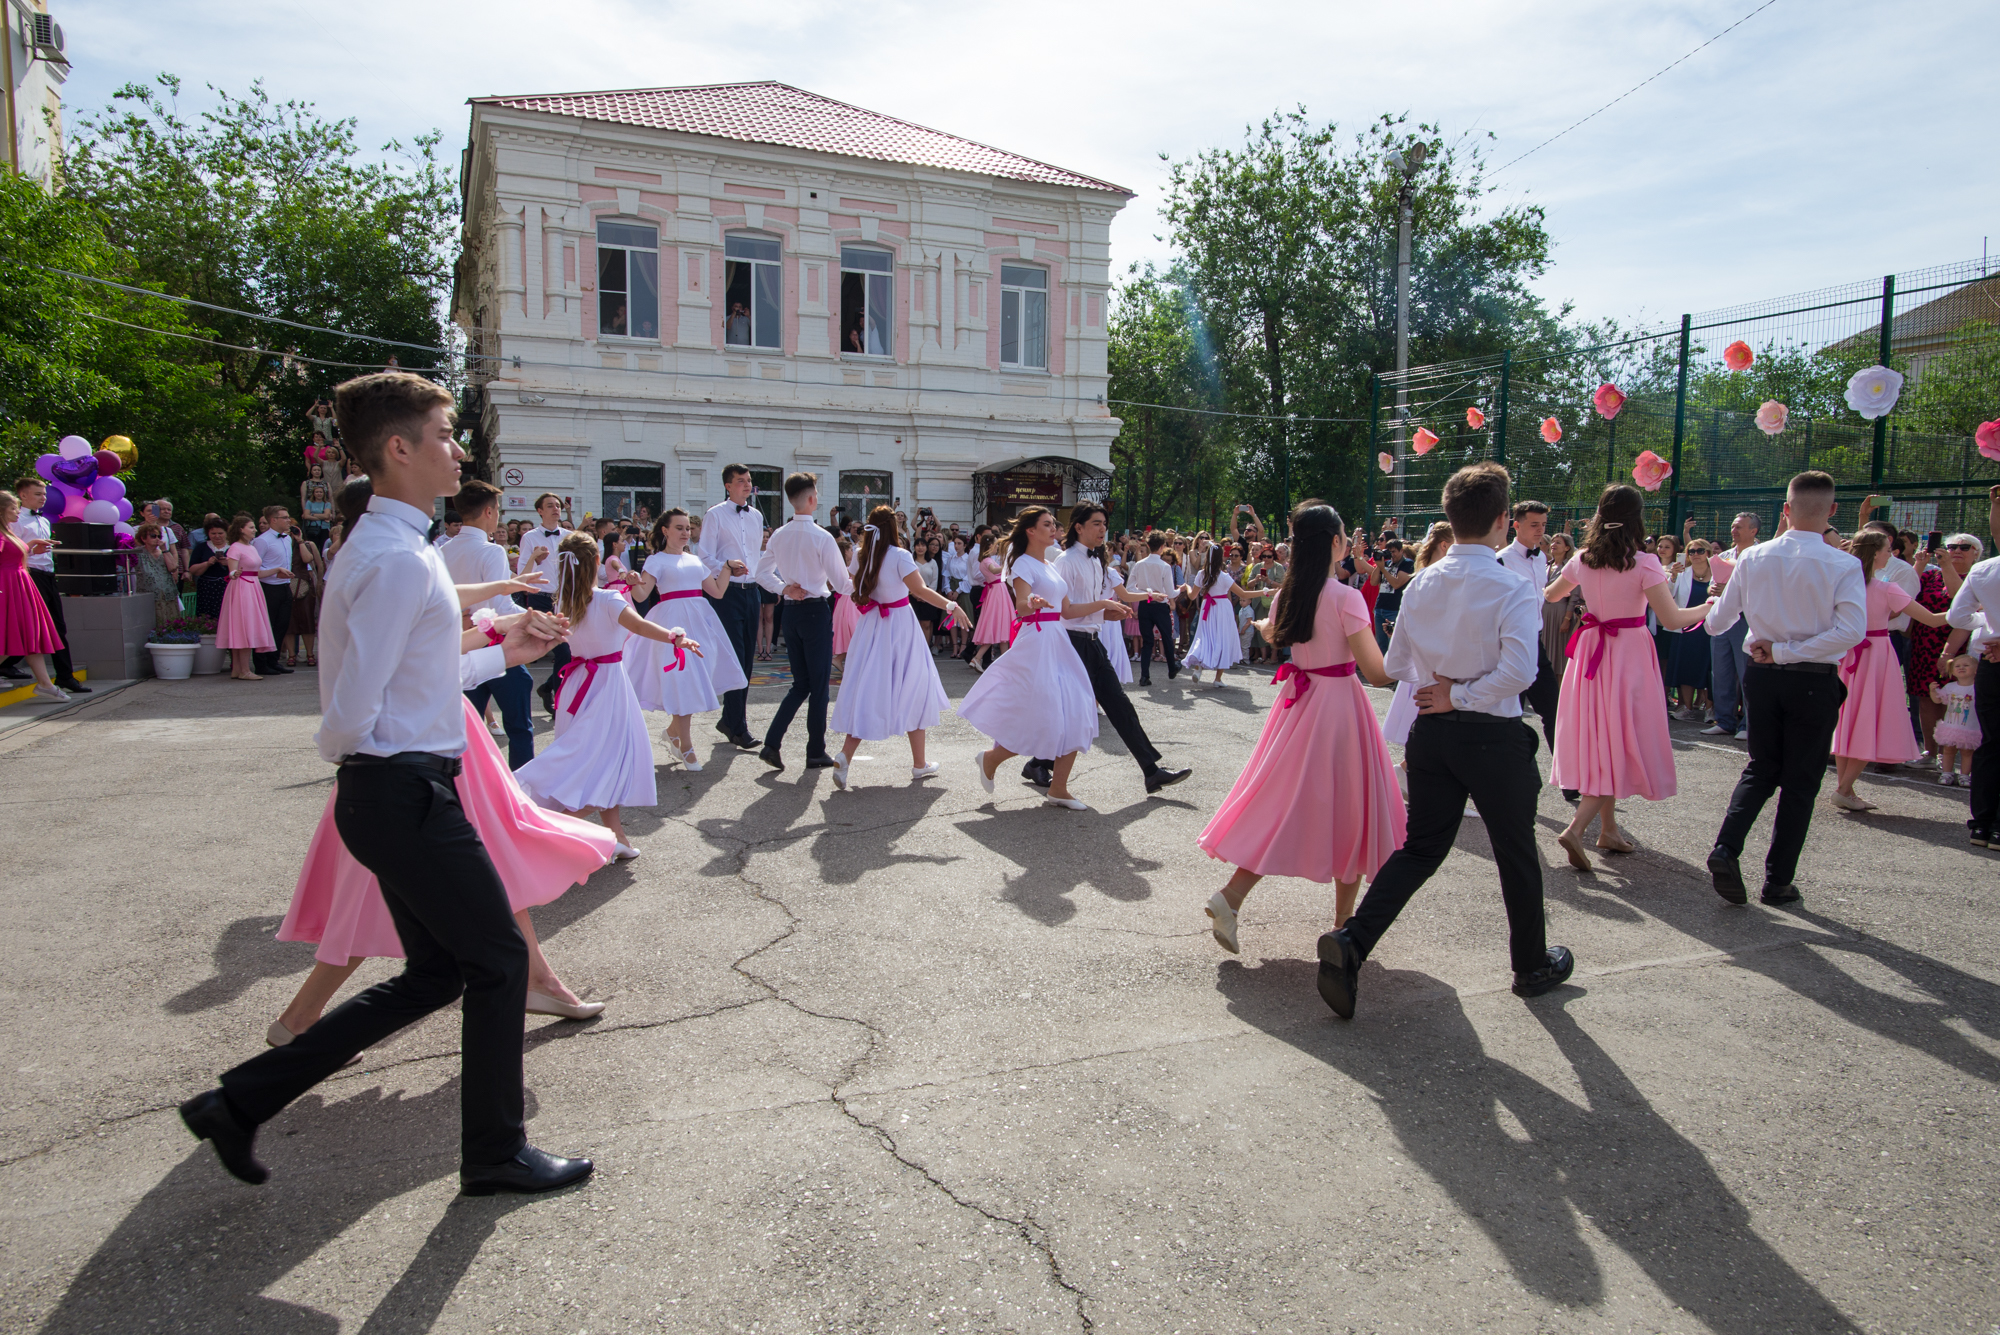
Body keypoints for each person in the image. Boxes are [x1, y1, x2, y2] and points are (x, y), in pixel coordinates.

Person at [179, 370, 595, 1196]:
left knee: (440, 972)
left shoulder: (396, 547)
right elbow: (353, 708)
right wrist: (365, 762)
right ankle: (494, 1152)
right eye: (444, 434)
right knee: (501, 958)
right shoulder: (398, 558)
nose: (458, 449)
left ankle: (240, 1101)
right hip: (402, 790)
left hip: (399, 786)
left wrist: (505, 651)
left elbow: (416, 674)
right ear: (398, 449)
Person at [1316, 462, 1574, 1020]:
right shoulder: (1510, 586)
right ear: (1503, 520)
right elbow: (1521, 672)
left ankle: (1353, 939)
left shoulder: (1424, 581)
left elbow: (1399, 663)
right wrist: (1461, 693)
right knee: (1515, 852)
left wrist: (1446, 689)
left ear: (1451, 518)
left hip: (1432, 731)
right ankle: (1530, 965)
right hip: (1491, 735)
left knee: (1422, 849)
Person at [1199, 502, 1402, 955]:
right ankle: (1342, 925)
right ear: (1334, 542)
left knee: (1282, 802)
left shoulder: (1288, 593)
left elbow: (1276, 634)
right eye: (1345, 534)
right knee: (1351, 811)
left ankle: (1232, 896)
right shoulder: (1345, 597)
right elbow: (1379, 671)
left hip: (1299, 704)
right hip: (1339, 708)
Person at [1703, 472, 1868, 906]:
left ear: (1786, 510)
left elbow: (1716, 623)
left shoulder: (1754, 558)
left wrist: (1772, 646)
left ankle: (1726, 847)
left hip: (1762, 674)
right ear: (1833, 511)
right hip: (1810, 678)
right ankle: (1777, 881)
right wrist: (1789, 651)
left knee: (1761, 767)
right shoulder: (1843, 564)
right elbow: (1851, 631)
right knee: (1800, 781)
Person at [1542, 485, 1713, 870]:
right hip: (1628, 653)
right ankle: (1577, 828)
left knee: (1603, 737)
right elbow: (1671, 619)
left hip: (1590, 652)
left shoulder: (1583, 557)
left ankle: (1609, 830)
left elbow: (1551, 595)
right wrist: (1708, 606)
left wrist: (1589, 601)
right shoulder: (1644, 562)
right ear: (1638, 517)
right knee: (1620, 738)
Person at [516, 533, 694, 853]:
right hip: (607, 685)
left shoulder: (564, 602)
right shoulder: (607, 599)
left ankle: (617, 839)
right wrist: (674, 636)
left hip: (576, 688)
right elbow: (639, 625)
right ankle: (550, 825)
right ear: (596, 562)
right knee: (609, 761)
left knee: (599, 763)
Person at [1017, 504, 1192, 796]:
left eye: (1104, 524)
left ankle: (1151, 771)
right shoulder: (1065, 562)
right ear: (1079, 527)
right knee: (1069, 713)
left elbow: (1091, 609)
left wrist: (1108, 613)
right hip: (1070, 644)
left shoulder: (1097, 562)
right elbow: (1066, 612)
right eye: (1096, 523)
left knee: (1119, 705)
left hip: (1093, 643)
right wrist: (1103, 606)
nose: (1102, 530)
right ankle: (1034, 762)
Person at [960, 506, 1100, 809]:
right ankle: (991, 758)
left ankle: (1058, 788)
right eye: (1047, 525)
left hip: (1057, 641)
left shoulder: (1049, 565)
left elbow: (1067, 611)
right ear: (1031, 531)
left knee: (1075, 709)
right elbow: (1022, 606)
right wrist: (1032, 602)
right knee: (1043, 716)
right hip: (1036, 642)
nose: (1054, 529)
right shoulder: (1022, 564)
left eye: (1054, 524)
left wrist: (1103, 605)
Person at [826, 506, 961, 787]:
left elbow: (849, 584)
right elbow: (920, 590)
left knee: (869, 690)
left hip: (871, 626)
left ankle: (846, 755)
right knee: (915, 687)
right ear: (893, 527)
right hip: (900, 626)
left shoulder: (863, 555)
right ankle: (919, 763)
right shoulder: (899, 556)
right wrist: (950, 605)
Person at [1828, 530, 1951, 810]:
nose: (1891, 554)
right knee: (1870, 719)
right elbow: (1931, 620)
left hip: (1847, 654)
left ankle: (1844, 789)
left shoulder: (1842, 585)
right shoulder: (1885, 588)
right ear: (1875, 553)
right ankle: (1844, 789)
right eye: (1887, 550)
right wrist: (1972, 613)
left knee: (1849, 719)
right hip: (1875, 654)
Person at [626, 507, 740, 771]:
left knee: (692, 681)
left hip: (701, 623)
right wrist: (633, 581)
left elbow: (718, 592)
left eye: (688, 528)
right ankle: (685, 745)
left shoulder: (694, 559)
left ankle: (674, 733)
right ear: (665, 531)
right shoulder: (656, 560)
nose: (685, 533)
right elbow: (642, 596)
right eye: (679, 528)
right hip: (672, 624)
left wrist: (727, 567)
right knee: (683, 681)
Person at [753, 472, 852, 771]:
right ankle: (815, 750)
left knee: (802, 684)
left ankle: (773, 742)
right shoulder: (822, 537)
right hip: (814, 611)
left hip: (794, 612)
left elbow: (761, 573)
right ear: (811, 499)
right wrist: (866, 585)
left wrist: (784, 587)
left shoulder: (780, 534)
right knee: (818, 685)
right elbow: (842, 584)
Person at [444, 480, 540, 770]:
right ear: (489, 512)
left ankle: (468, 789)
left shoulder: (442, 550)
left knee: (464, 731)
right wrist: (535, 617)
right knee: (520, 729)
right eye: (498, 509)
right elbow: (500, 608)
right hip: (495, 646)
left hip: (460, 647)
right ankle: (520, 791)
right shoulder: (492, 550)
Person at [1943, 486, 2000, 847]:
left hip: (1992, 662)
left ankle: (1982, 824)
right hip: (1993, 657)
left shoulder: (1985, 569)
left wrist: (1989, 627)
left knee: (1992, 743)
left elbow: (1957, 615)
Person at [1500, 502, 1570, 796]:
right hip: (1510, 646)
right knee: (1509, 715)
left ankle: (1569, 778)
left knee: (1554, 710)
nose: (1540, 531)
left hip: (1536, 642)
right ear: (1515, 525)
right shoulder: (1501, 560)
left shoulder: (1541, 558)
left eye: (1543, 524)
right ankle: (1509, 777)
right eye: (1534, 524)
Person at [0, 479, 86, 692]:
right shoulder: (14, 522)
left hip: (46, 575)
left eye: (44, 494)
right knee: (31, 627)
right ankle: (60, 676)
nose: (43, 498)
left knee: (54, 625)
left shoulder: (45, 521)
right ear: (23, 496)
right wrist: (30, 553)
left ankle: (59, 677)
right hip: (26, 577)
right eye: (38, 494)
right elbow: (10, 554)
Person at [704, 464, 766, 750]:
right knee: (735, 657)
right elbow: (703, 556)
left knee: (747, 657)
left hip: (752, 591)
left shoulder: (756, 516)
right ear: (728, 485)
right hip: (727, 592)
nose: (746, 485)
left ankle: (730, 720)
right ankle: (737, 726)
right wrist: (727, 568)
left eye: (749, 481)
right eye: (740, 481)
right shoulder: (715, 515)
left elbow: (757, 554)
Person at [1911, 534, 1978, 762]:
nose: (1957, 550)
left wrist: (1947, 565)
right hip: (1925, 644)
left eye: (1964, 547)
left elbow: (1959, 600)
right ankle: (1930, 751)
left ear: (1976, 553)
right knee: (1927, 697)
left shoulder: (1977, 578)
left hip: (1960, 647)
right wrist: (1919, 564)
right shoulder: (1930, 575)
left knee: (1958, 699)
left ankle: (1950, 754)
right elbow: (1905, 594)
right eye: (1951, 547)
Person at [1702, 511, 1762, 739]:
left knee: (1746, 673)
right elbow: (1711, 586)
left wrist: (1729, 591)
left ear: (1753, 531)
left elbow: (1761, 588)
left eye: (1739, 527)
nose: (1733, 531)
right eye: (1733, 526)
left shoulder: (1761, 555)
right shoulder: (1725, 555)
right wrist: (1714, 590)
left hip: (1746, 620)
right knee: (1721, 672)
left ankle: (1748, 724)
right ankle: (1725, 721)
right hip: (1722, 619)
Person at [216, 516, 276, 681]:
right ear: (241, 529)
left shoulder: (251, 547)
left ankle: (238, 669)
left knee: (246, 626)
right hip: (242, 588)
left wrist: (277, 569)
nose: (255, 530)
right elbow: (232, 572)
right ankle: (244, 670)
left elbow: (257, 572)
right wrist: (235, 574)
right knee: (243, 627)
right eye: (251, 527)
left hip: (253, 586)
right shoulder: (235, 548)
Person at [1181, 543, 1244, 685]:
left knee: (1205, 636)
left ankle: (1198, 667)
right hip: (1223, 609)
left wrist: (1187, 587)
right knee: (1223, 639)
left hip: (1207, 608)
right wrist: (1266, 592)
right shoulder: (1224, 576)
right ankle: (1218, 679)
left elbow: (1192, 596)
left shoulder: (1201, 574)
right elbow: (1243, 593)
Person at [1666, 540, 1715, 718]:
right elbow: (1668, 595)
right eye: (1691, 551)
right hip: (1686, 628)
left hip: (1711, 628)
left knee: (1709, 668)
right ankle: (1686, 707)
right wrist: (1672, 577)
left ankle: (1710, 709)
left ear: (1708, 553)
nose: (1695, 554)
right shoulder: (1682, 574)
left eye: (1700, 550)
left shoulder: (1719, 574)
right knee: (1685, 666)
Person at [1125, 533, 1181, 685]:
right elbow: (1170, 592)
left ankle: (1144, 676)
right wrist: (1180, 590)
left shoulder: (1140, 564)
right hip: (1161, 605)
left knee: (1147, 640)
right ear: (1162, 547)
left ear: (1148, 546)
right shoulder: (1165, 566)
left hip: (1145, 604)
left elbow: (1130, 588)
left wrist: (1148, 594)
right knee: (1167, 638)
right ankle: (1171, 668)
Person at [249, 506, 295, 677]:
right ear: (273, 520)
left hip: (285, 585)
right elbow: (255, 566)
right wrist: (275, 571)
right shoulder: (262, 541)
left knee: (281, 625)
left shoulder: (287, 538)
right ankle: (261, 663)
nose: (288, 520)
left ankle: (273, 661)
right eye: (284, 517)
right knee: (265, 626)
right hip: (268, 587)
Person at [1930, 654, 1980, 787]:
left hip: (1970, 727)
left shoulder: (1977, 688)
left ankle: (1964, 775)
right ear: (1952, 670)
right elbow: (1938, 700)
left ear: (1976, 669)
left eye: (1966, 665)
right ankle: (1947, 773)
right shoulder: (1950, 687)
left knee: (1967, 751)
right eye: (1957, 666)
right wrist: (1932, 691)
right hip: (1951, 727)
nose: (1961, 668)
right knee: (1948, 750)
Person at [285, 522, 322, 668]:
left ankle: (310, 653)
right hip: (287, 583)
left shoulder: (307, 544)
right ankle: (291, 655)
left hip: (304, 584)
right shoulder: (283, 544)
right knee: (290, 622)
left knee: (307, 620)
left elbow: (308, 559)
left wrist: (299, 540)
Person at [133, 523, 183, 626]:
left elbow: (173, 567)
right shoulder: (137, 553)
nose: (157, 539)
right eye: (153, 536)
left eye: (159, 536)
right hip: (149, 597)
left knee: (171, 624)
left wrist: (165, 550)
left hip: (168, 595)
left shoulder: (163, 552)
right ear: (143, 538)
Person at [188, 519, 233, 622]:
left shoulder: (233, 547)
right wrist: (207, 564)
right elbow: (193, 570)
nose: (217, 536)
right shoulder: (201, 547)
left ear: (226, 533)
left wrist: (229, 563)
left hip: (228, 586)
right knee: (206, 615)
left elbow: (243, 568)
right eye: (213, 533)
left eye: (220, 533)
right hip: (207, 588)